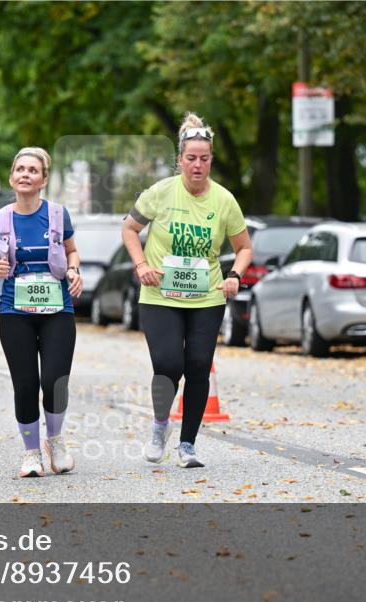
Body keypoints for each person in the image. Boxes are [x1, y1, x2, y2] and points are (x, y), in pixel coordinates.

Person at [121, 113, 253, 469]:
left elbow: (244, 248)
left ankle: (188, 445)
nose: (197, 165)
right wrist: (141, 265)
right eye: (191, 158)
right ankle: (160, 424)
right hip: (160, 293)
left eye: (204, 158)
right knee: (167, 364)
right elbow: (130, 230)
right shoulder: (161, 192)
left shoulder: (224, 200)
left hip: (206, 295)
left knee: (197, 366)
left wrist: (235, 276)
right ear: (179, 160)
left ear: (211, 160)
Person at [0, 147, 83, 478]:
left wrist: (75, 270)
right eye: (20, 169)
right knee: (25, 384)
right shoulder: (0, 220)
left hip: (57, 310)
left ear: (43, 179)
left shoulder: (57, 215)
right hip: (15, 311)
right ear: (11, 177)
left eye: (32, 170)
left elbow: (72, 251)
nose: (25, 174)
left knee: (54, 381)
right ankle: (31, 453)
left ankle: (55, 440)